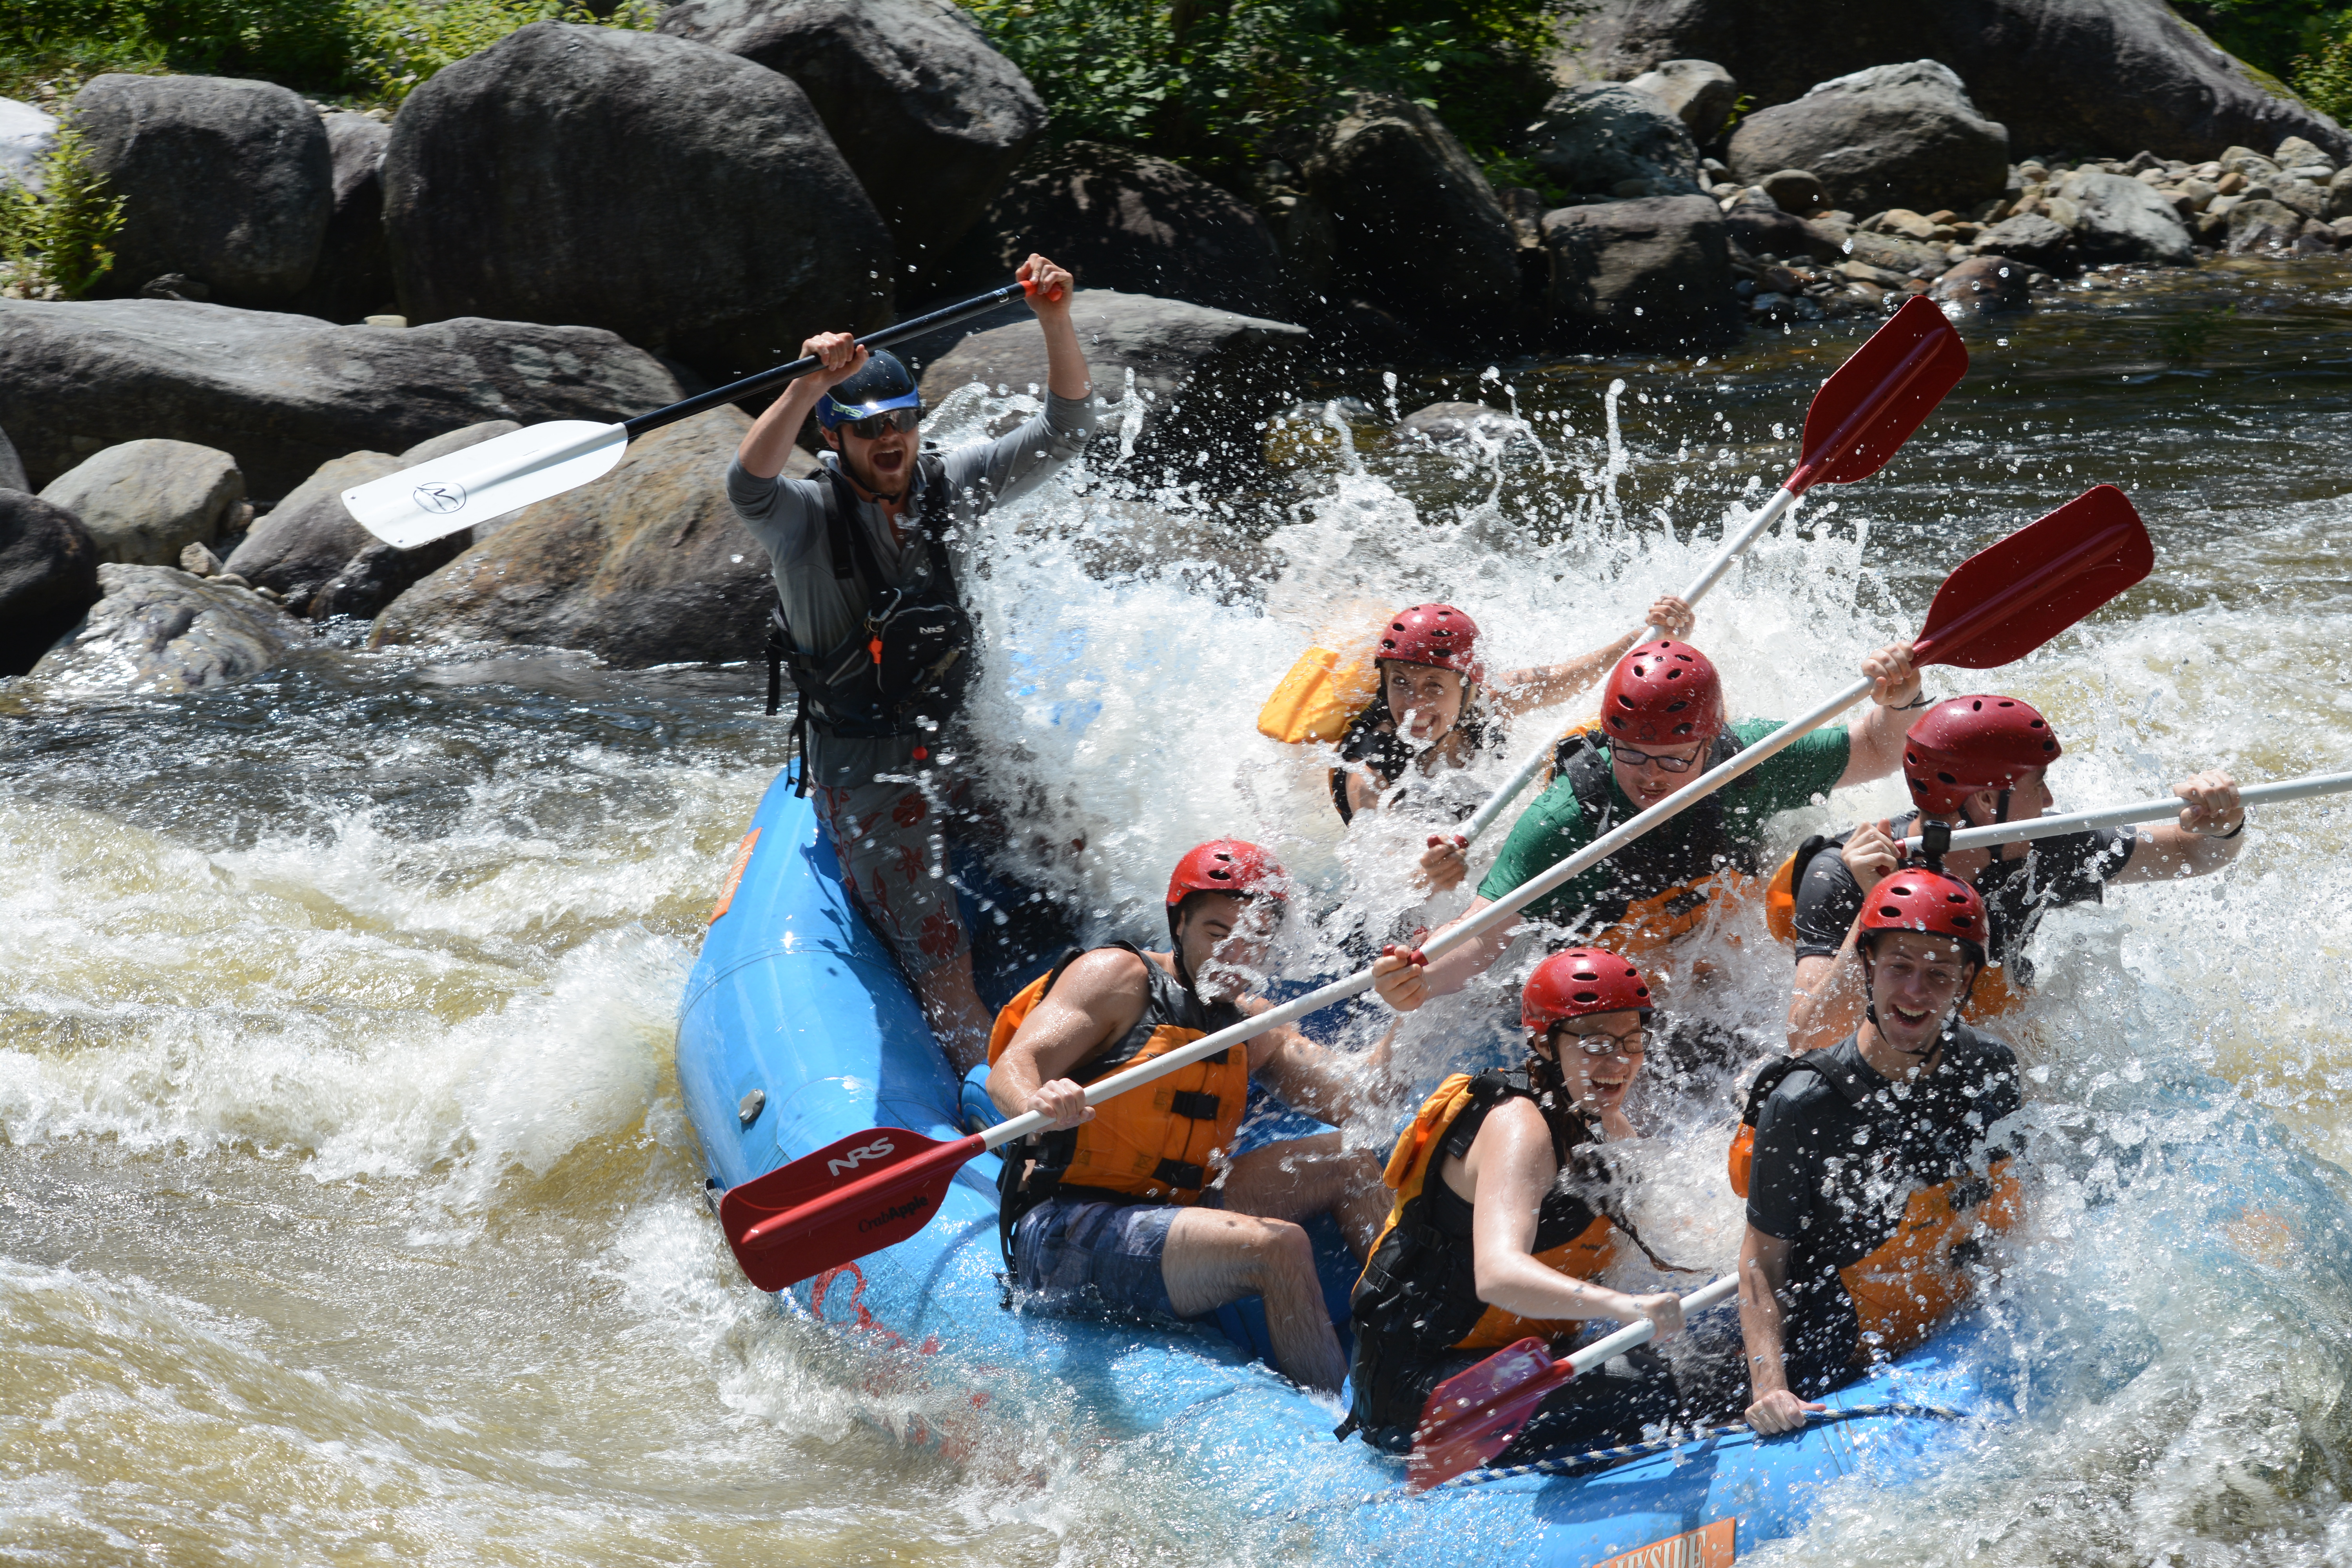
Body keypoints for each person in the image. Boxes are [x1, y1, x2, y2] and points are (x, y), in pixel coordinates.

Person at [726, 255, 1091, 1070]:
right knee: (944, 960)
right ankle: (988, 1096)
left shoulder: (948, 483)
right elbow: (746, 486)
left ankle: (1112, 997)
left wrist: (1054, 320)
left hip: (958, 744)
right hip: (867, 775)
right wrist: (807, 383)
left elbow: (1068, 430)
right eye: (867, 426)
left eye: (902, 419)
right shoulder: (804, 520)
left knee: (1072, 846)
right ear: (834, 435)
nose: (889, 438)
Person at [1373, 637, 1928, 1068]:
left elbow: (1879, 748)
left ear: (1710, 744)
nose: (1650, 779)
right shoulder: (1564, 820)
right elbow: (1483, 933)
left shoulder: (1749, 762)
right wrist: (1417, 979)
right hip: (1613, 981)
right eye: (1631, 755)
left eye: (1673, 760)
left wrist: (1901, 698)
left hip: (1718, 949)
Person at [985, 840, 1392, 1392]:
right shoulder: (1116, 977)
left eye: (1253, 942)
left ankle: (1423, 1346)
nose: (1234, 958)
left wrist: (1412, 1005)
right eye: (1217, 935)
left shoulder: (1250, 1024)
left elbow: (1362, 1099)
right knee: (1280, 1246)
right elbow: (1014, 1066)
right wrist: (1038, 1103)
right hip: (1065, 1229)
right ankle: (1337, 1422)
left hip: (1176, 1210)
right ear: (1179, 924)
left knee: (1350, 1159)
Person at [1343, 946, 1708, 1457]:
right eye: (1599, 1042)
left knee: (1710, 1351)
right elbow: (1497, 1274)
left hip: (1508, 1359)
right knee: (1669, 1382)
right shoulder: (1519, 1126)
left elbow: (1672, 1234)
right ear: (1544, 1042)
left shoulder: (1597, 1118)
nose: (1619, 1062)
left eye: (1633, 1042)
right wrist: (1627, 1308)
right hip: (1419, 1389)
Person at [1780, 693, 2246, 1049]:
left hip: (1982, 1015)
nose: (2049, 803)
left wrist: (2223, 824)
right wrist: (1877, 901)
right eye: (2037, 785)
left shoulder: (2046, 846)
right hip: (1883, 1033)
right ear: (1986, 800)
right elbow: (1808, 1039)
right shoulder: (1843, 873)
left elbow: (2194, 855)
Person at [1735, 868, 2024, 1434]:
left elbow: (2008, 1206)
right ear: (1867, 967)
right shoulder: (1801, 1105)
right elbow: (1762, 1262)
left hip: (1952, 1313)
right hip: (1844, 1346)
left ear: (1966, 982)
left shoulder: (1991, 1068)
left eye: (1939, 974)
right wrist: (1771, 1389)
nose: (1915, 993)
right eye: (1900, 968)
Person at [1332, 597, 1697, 894]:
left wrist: (1650, 638)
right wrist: (1428, 875)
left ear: (1468, 689)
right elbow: (1384, 879)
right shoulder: (1368, 769)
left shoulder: (1486, 702)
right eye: (1400, 683)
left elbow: (1570, 678)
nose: (1413, 704)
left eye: (1433, 686)